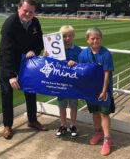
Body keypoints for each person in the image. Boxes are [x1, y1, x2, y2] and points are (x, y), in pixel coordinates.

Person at [0, 0, 48, 140]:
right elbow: (6, 51)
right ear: (19, 9)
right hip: (7, 61)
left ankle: (32, 120)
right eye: (25, 10)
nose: (28, 14)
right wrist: (11, 75)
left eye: (31, 12)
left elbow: (39, 42)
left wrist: (34, 51)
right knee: (7, 93)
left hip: (26, 62)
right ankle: (7, 126)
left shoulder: (35, 22)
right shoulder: (10, 24)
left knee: (30, 90)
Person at [78, 27, 114, 155]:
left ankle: (107, 139)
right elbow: (81, 72)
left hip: (103, 89)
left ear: (101, 39)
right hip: (90, 89)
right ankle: (98, 133)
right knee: (94, 112)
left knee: (104, 113)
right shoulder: (83, 54)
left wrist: (104, 91)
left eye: (98, 38)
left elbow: (106, 75)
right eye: (92, 38)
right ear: (88, 40)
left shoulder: (106, 54)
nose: (95, 41)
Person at [43, 25, 82, 138]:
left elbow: (82, 65)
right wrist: (46, 56)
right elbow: (48, 64)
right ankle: (63, 125)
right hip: (60, 83)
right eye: (64, 36)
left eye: (69, 36)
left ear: (73, 36)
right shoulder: (54, 49)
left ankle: (73, 125)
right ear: (60, 37)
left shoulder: (78, 50)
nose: (67, 38)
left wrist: (75, 63)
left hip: (73, 83)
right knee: (62, 106)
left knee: (73, 105)